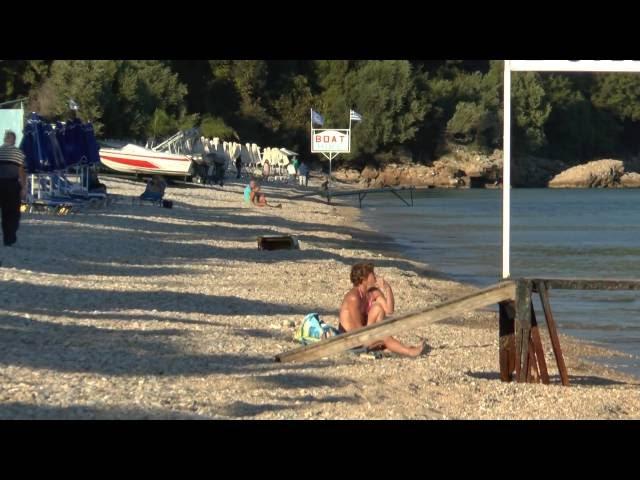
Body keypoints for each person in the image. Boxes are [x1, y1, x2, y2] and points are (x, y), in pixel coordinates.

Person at [338, 262, 426, 357]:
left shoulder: (372, 292)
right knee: (384, 336)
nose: (375, 275)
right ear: (363, 279)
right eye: (372, 273)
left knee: (378, 308)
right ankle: (410, 352)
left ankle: (385, 344)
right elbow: (357, 329)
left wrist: (387, 288)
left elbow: (389, 310)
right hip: (351, 338)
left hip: (363, 333)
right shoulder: (353, 297)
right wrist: (377, 336)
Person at [0, 131, 27, 246]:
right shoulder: (19, 153)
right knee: (13, 213)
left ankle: (8, 236)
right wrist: (24, 187)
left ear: (5, 139)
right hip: (12, 185)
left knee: (5, 212)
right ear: (14, 140)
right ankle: (9, 238)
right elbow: (21, 171)